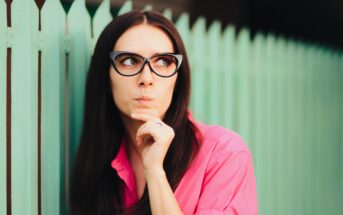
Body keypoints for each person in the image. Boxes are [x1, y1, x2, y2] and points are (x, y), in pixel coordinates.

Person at [70, 10, 258, 215]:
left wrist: (155, 173)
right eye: (129, 61)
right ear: (106, 78)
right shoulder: (99, 164)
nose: (146, 78)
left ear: (177, 80)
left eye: (163, 62)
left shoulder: (224, 153)